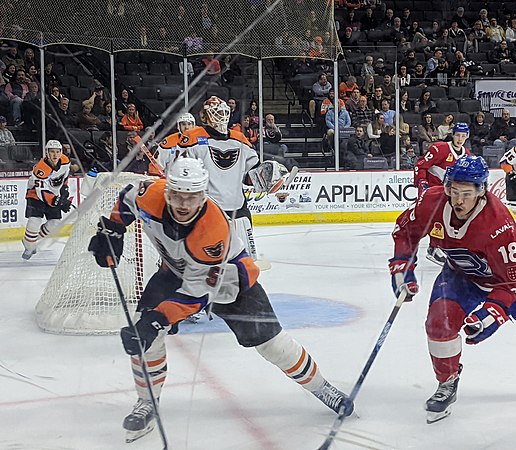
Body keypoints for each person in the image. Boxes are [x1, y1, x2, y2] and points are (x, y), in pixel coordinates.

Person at [87, 159, 353, 443]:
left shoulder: (212, 231)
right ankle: (147, 401)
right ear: (167, 192)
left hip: (231, 283)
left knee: (274, 346)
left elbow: (199, 292)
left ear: (203, 195)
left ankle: (322, 387)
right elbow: (127, 198)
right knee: (146, 339)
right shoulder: (150, 194)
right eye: (177, 195)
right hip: (175, 273)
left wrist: (159, 318)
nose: (183, 204)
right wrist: (113, 229)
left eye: (191, 197)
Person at [389, 155, 516, 424]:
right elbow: (406, 231)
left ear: (481, 191)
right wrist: (401, 266)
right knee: (439, 325)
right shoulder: (432, 200)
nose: (458, 200)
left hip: (509, 281)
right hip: (460, 275)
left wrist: (492, 314)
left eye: (466, 193)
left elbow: (512, 283)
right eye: (453, 191)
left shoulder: (498, 223)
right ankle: (447, 382)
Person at [177, 97, 291, 262]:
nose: (220, 117)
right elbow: (184, 174)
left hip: (238, 208)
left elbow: (251, 176)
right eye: (216, 113)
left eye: (223, 113)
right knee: (207, 261)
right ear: (205, 117)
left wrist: (269, 180)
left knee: (245, 262)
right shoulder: (192, 138)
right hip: (207, 209)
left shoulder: (240, 140)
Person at [414, 123, 470, 265]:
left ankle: (441, 246)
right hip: (432, 190)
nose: (460, 139)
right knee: (437, 218)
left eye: (463, 136)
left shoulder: (467, 155)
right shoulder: (439, 148)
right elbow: (420, 165)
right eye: (457, 135)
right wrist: (422, 182)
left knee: (452, 220)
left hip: (450, 193)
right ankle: (433, 248)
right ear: (452, 134)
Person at [22, 140, 72, 260]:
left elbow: (64, 177)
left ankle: (31, 239)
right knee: (35, 221)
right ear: (47, 153)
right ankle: (28, 244)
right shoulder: (41, 168)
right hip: (35, 195)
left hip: (53, 194)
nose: (55, 155)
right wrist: (57, 201)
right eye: (52, 152)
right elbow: (41, 191)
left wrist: (64, 191)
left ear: (61, 152)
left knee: (55, 223)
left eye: (57, 152)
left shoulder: (65, 161)